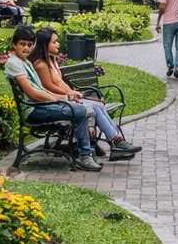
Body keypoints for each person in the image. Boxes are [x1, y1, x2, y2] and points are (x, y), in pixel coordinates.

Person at [31, 28, 141, 160]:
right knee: (94, 107)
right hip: (56, 102)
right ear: (44, 44)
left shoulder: (51, 61)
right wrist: (69, 94)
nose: (58, 44)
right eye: (54, 42)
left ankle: (117, 140)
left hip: (64, 99)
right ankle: (116, 141)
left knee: (98, 105)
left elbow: (59, 82)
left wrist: (71, 92)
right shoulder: (41, 64)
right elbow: (49, 86)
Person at [3, 26, 102, 172]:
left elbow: (40, 89)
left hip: (41, 106)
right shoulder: (14, 63)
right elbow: (33, 93)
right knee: (82, 111)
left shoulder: (25, 62)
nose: (26, 48)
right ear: (14, 44)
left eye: (30, 45)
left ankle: (85, 151)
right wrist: (57, 99)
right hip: (33, 111)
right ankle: (84, 155)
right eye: (22, 44)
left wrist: (62, 97)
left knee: (83, 109)